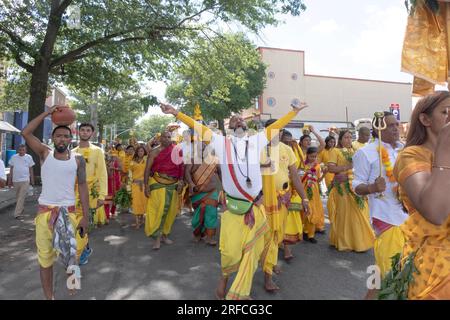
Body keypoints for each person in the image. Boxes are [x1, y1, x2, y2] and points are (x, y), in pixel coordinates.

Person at [160, 101, 308, 300]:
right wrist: (176, 113)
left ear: (247, 127)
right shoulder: (220, 142)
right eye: (234, 119)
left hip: (256, 206)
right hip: (233, 208)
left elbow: (276, 126)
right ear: (229, 127)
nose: (239, 120)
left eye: (241, 120)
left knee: (252, 252)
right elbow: (198, 127)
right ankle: (224, 279)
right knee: (230, 252)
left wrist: (295, 111)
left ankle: (241, 292)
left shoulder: (257, 141)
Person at [21, 106, 89, 299]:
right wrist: (47, 113)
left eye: (66, 136)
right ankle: (49, 297)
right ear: (53, 139)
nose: (62, 139)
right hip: (45, 215)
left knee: (72, 257)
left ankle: (72, 291)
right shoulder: (44, 153)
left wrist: (86, 215)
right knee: (45, 260)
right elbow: (25, 132)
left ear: (70, 139)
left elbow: (83, 187)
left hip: (69, 213)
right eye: (58, 136)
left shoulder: (78, 160)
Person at [393, 91, 450, 299]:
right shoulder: (411, 155)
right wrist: (445, 148)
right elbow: (435, 212)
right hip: (434, 264)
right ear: (425, 119)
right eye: (446, 112)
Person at [352, 111, 408, 299]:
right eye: (390, 125)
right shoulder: (365, 152)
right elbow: (356, 185)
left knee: (380, 271)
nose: (396, 128)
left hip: (408, 216)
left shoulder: (404, 149)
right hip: (385, 217)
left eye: (396, 124)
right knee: (393, 273)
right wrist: (372, 187)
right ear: (378, 128)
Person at [260, 120, 310, 292]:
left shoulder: (287, 149)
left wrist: (304, 199)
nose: (277, 133)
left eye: (279, 130)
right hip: (263, 202)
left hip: (283, 200)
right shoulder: (258, 149)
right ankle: (267, 276)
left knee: (277, 236)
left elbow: (295, 177)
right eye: (273, 130)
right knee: (270, 237)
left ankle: (270, 263)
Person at [327, 130, 375, 252]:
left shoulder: (354, 151)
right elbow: (331, 168)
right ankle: (346, 242)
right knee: (345, 215)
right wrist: (346, 168)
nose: (348, 140)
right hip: (343, 188)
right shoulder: (335, 151)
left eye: (350, 137)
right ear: (341, 139)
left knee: (360, 212)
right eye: (346, 137)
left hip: (355, 185)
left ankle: (360, 242)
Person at [144, 131, 184, 250]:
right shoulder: (154, 151)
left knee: (171, 212)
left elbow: (182, 167)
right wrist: (146, 186)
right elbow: (147, 169)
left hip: (173, 184)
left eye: (169, 137)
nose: (168, 139)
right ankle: (157, 238)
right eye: (165, 137)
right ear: (160, 138)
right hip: (157, 183)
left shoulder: (177, 150)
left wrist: (181, 181)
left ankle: (165, 235)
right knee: (159, 211)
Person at [185, 138, 220, 245]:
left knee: (211, 214)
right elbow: (186, 173)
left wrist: (224, 187)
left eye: (204, 148)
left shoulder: (214, 160)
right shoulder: (191, 160)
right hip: (197, 193)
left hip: (212, 192)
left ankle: (209, 237)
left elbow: (221, 172)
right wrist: (191, 183)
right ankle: (198, 234)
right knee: (197, 217)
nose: (203, 150)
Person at [301, 146, 326, 243]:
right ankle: (303, 231)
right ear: (307, 155)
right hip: (304, 189)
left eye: (315, 157)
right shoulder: (303, 165)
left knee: (313, 211)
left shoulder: (318, 166)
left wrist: (324, 174)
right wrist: (305, 173)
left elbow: (318, 180)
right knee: (304, 211)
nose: (314, 159)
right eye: (312, 156)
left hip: (314, 190)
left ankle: (310, 234)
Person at [8, 144, 35, 219]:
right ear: (18, 150)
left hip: (25, 180)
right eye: (20, 150)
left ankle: (17, 214)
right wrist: (9, 181)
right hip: (15, 180)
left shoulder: (29, 157)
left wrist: (32, 180)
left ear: (25, 150)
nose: (21, 151)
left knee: (21, 197)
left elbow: (31, 169)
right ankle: (21, 208)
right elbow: (11, 169)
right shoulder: (14, 157)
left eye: (23, 150)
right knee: (18, 197)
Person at [129, 146, 148, 229]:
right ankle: (137, 222)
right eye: (139, 151)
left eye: (142, 151)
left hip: (144, 185)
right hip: (135, 185)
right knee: (136, 203)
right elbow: (129, 173)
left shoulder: (146, 161)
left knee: (143, 202)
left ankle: (141, 219)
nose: (141, 153)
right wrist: (130, 183)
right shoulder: (132, 162)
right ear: (137, 152)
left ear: (144, 152)